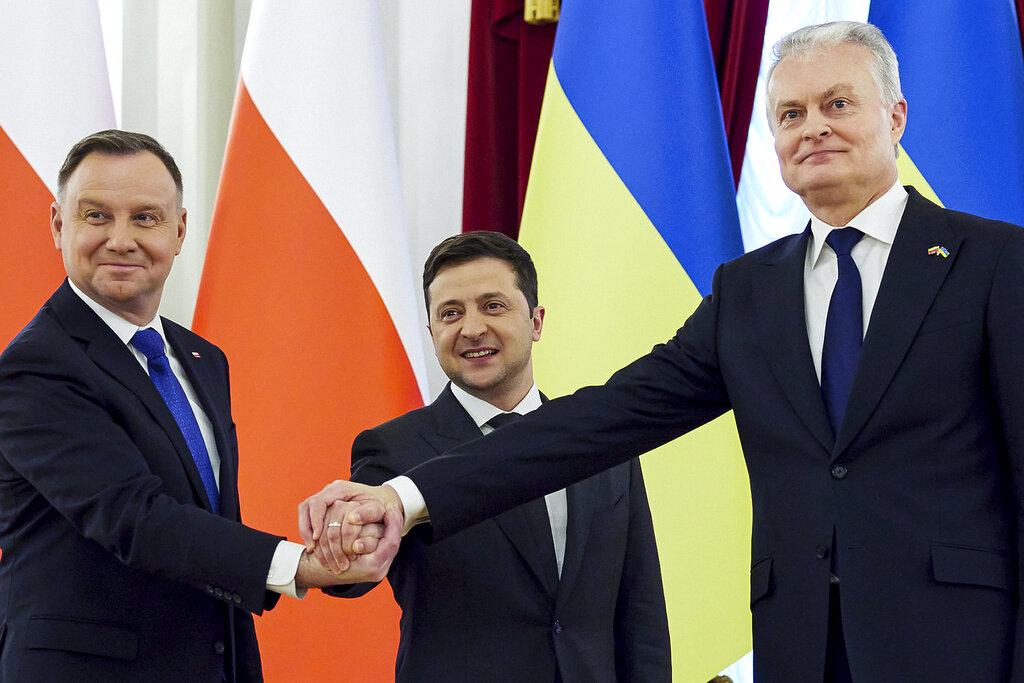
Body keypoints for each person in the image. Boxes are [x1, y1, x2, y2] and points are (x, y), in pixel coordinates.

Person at [301, 21, 1024, 682]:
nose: (813, 128)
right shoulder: (750, 292)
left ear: (895, 116)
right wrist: (404, 495)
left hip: (962, 646)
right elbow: (601, 419)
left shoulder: (994, 263)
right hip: (802, 649)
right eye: (790, 114)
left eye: (838, 104)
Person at [0, 130, 398, 682]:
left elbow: (210, 521)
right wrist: (301, 565)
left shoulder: (201, 359)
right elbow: (135, 518)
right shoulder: (34, 366)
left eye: (145, 218)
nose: (121, 239)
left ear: (179, 231)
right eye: (96, 216)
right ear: (57, 224)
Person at [316, 232, 670, 682]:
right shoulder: (393, 448)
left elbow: (641, 612)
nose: (471, 329)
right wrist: (343, 539)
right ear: (432, 333)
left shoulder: (600, 437)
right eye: (450, 313)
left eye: (493, 306)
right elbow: (352, 573)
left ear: (536, 322)